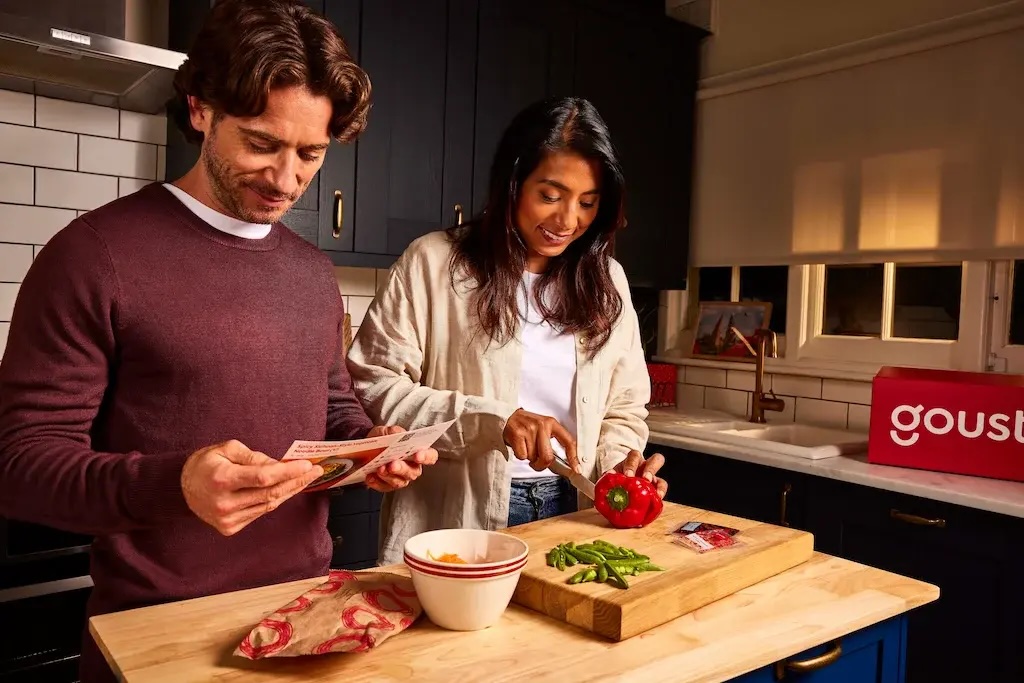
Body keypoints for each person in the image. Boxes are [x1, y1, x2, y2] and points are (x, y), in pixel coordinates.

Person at [0, 2, 436, 681]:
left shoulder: (311, 272)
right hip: (156, 634)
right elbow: (20, 465)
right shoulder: (92, 255)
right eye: (262, 143)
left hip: (305, 618)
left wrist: (370, 447)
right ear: (201, 109)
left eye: (311, 153)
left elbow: (331, 406)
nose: (288, 178)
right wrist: (173, 483)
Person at [347, 96, 669, 566]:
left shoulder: (608, 281)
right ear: (513, 183)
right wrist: (496, 420)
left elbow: (624, 405)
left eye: (587, 203)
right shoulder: (434, 262)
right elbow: (372, 385)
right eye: (550, 195)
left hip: (574, 508)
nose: (567, 221)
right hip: (459, 515)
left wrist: (621, 463)